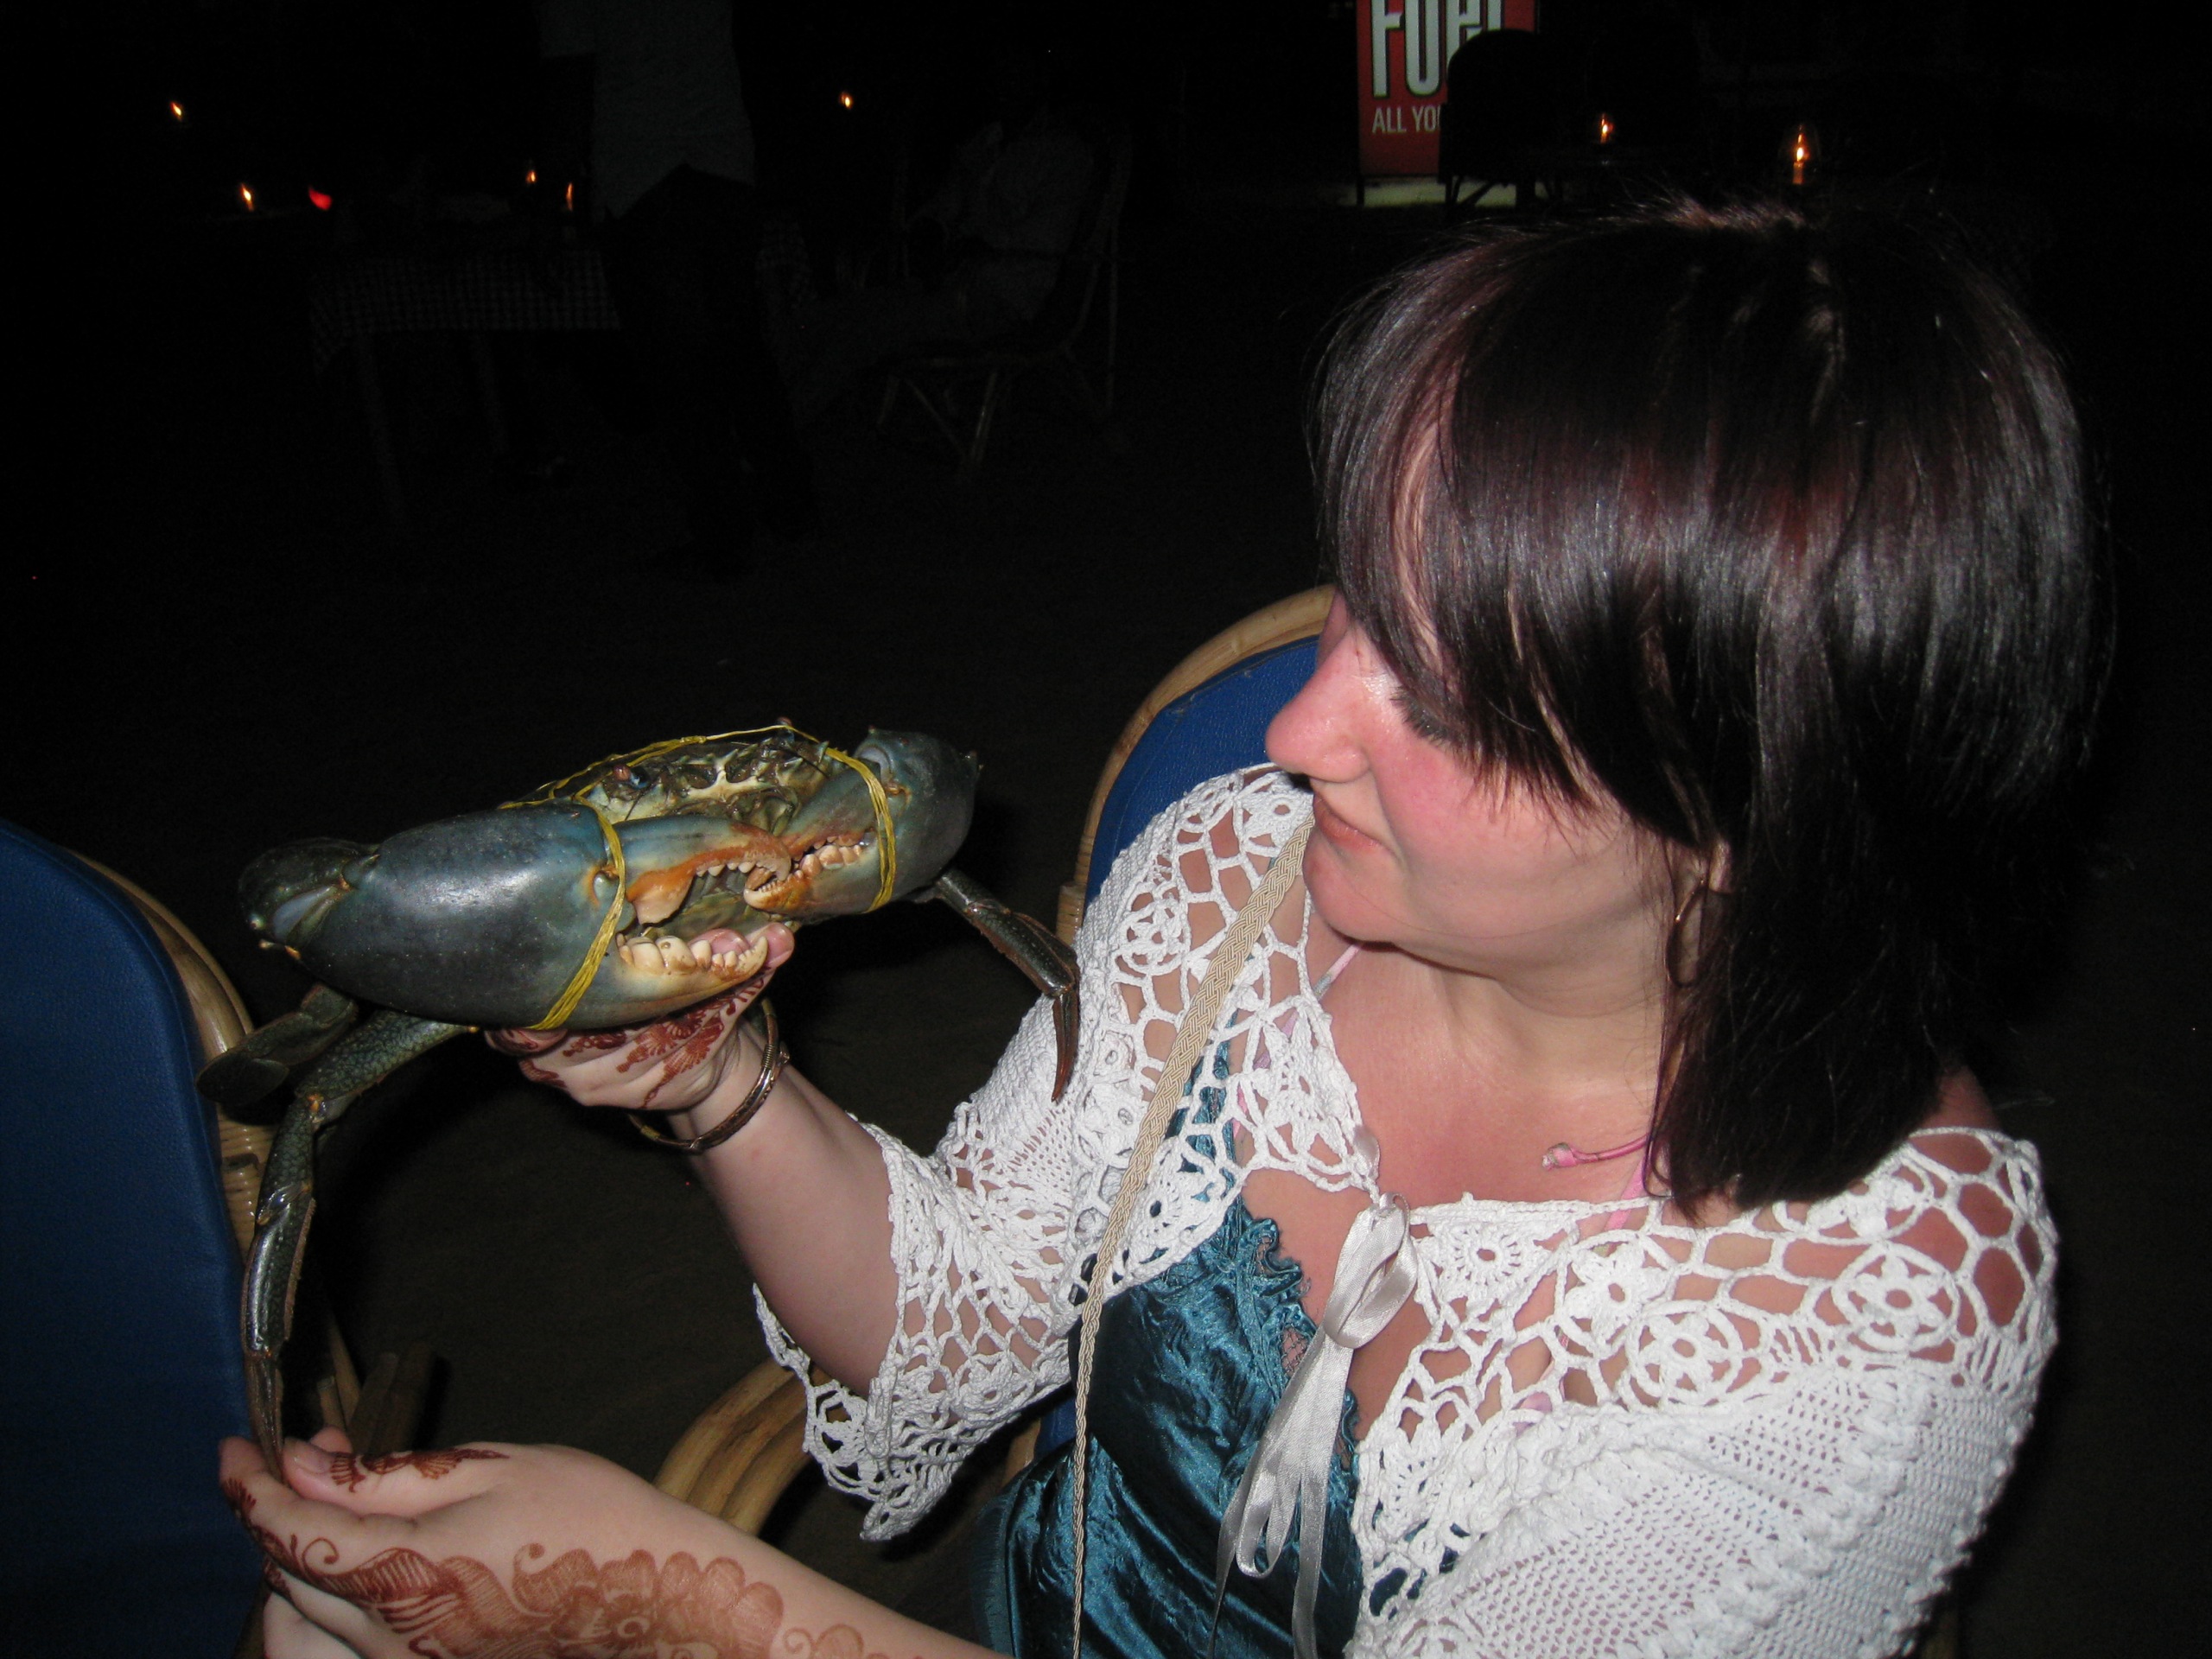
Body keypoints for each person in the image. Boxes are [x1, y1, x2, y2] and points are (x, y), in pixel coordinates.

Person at [224, 196, 2101, 1659]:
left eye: (1444, 698)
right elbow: (953, 1324)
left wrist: (671, 1601)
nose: (1294, 731)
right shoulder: (1236, 882)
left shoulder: (1871, 1331)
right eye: (1356, 603)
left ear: (1753, 809)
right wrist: (718, 1084)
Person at [537, 0, 817, 567]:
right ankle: (787, 503)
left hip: (645, 170)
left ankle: (724, 528)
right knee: (737, 345)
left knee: (679, 365)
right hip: (722, 159)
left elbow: (570, 79)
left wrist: (551, 204)